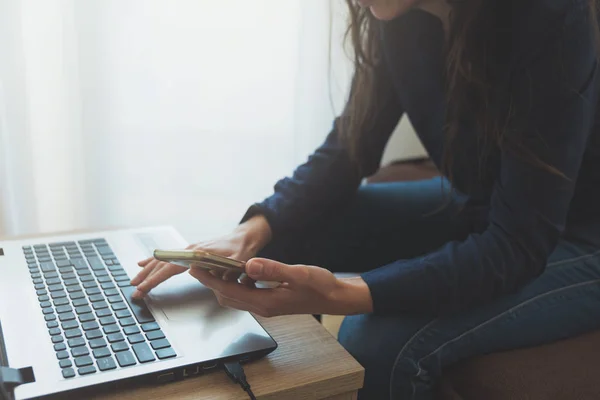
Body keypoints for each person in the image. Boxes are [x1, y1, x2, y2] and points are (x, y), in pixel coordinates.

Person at [131, 0, 600, 398]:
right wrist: (249, 231)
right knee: (276, 243)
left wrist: (343, 293)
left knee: (371, 336)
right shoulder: (398, 15)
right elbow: (349, 149)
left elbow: (517, 241)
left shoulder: (551, 17)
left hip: (578, 237)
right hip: (485, 208)